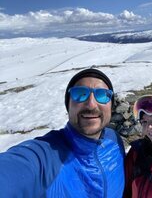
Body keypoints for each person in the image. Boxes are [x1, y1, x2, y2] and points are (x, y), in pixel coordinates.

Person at [0, 68, 125, 198]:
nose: (91, 104)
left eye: (102, 95)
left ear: (111, 105)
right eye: (80, 94)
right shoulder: (45, 157)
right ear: (68, 106)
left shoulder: (114, 140)